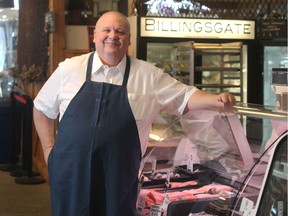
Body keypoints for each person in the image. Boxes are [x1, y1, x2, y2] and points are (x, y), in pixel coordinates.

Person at [33, 11, 236, 216]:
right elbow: (41, 108)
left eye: (120, 31)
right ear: (94, 36)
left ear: (128, 40)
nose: (113, 35)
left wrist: (214, 99)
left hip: (118, 179)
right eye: (107, 30)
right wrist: (49, 150)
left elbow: (184, 96)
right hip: (71, 176)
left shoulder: (148, 75)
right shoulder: (69, 69)